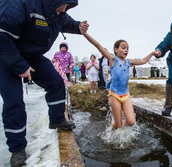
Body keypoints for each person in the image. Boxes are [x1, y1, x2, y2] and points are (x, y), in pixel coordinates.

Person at [0, 0, 86, 166]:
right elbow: (1, 35)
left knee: (56, 82)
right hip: (6, 53)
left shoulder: (57, 12)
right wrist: (19, 65)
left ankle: (57, 119)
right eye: (63, 6)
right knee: (14, 101)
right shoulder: (19, 4)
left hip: (32, 56)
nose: (64, 10)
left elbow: (67, 22)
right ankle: (17, 149)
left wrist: (78, 26)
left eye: (67, 7)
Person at [80, 21, 159, 130]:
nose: (126, 49)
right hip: (114, 94)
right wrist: (85, 34)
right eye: (123, 47)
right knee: (118, 124)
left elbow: (143, 61)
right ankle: (113, 133)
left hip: (126, 94)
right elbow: (97, 45)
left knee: (131, 121)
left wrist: (152, 53)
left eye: (127, 48)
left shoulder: (128, 62)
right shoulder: (113, 59)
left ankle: (121, 133)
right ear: (116, 49)